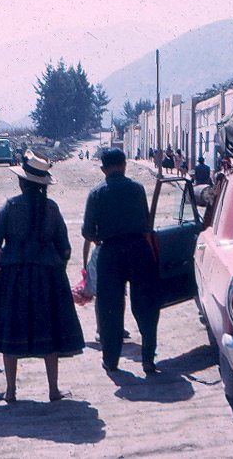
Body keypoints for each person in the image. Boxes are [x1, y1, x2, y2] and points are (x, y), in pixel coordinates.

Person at [0, 150, 84, 402]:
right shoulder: (52, 208)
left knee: (10, 330)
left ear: (22, 182)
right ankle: (53, 390)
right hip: (48, 276)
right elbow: (64, 247)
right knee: (50, 331)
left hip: (13, 276)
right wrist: (56, 267)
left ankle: (11, 390)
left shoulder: (10, 205)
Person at [82, 148, 160, 375]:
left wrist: (99, 238)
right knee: (146, 306)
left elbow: (88, 231)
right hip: (139, 248)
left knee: (110, 308)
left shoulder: (97, 192)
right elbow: (146, 220)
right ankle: (148, 359)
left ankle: (111, 360)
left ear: (103, 169)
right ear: (125, 165)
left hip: (111, 252)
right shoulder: (137, 188)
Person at [82, 239, 131, 343]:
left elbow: (87, 236)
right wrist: (85, 265)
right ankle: (101, 329)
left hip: (116, 254)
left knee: (118, 294)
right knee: (101, 295)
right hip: (105, 255)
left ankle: (118, 327)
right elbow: (87, 238)